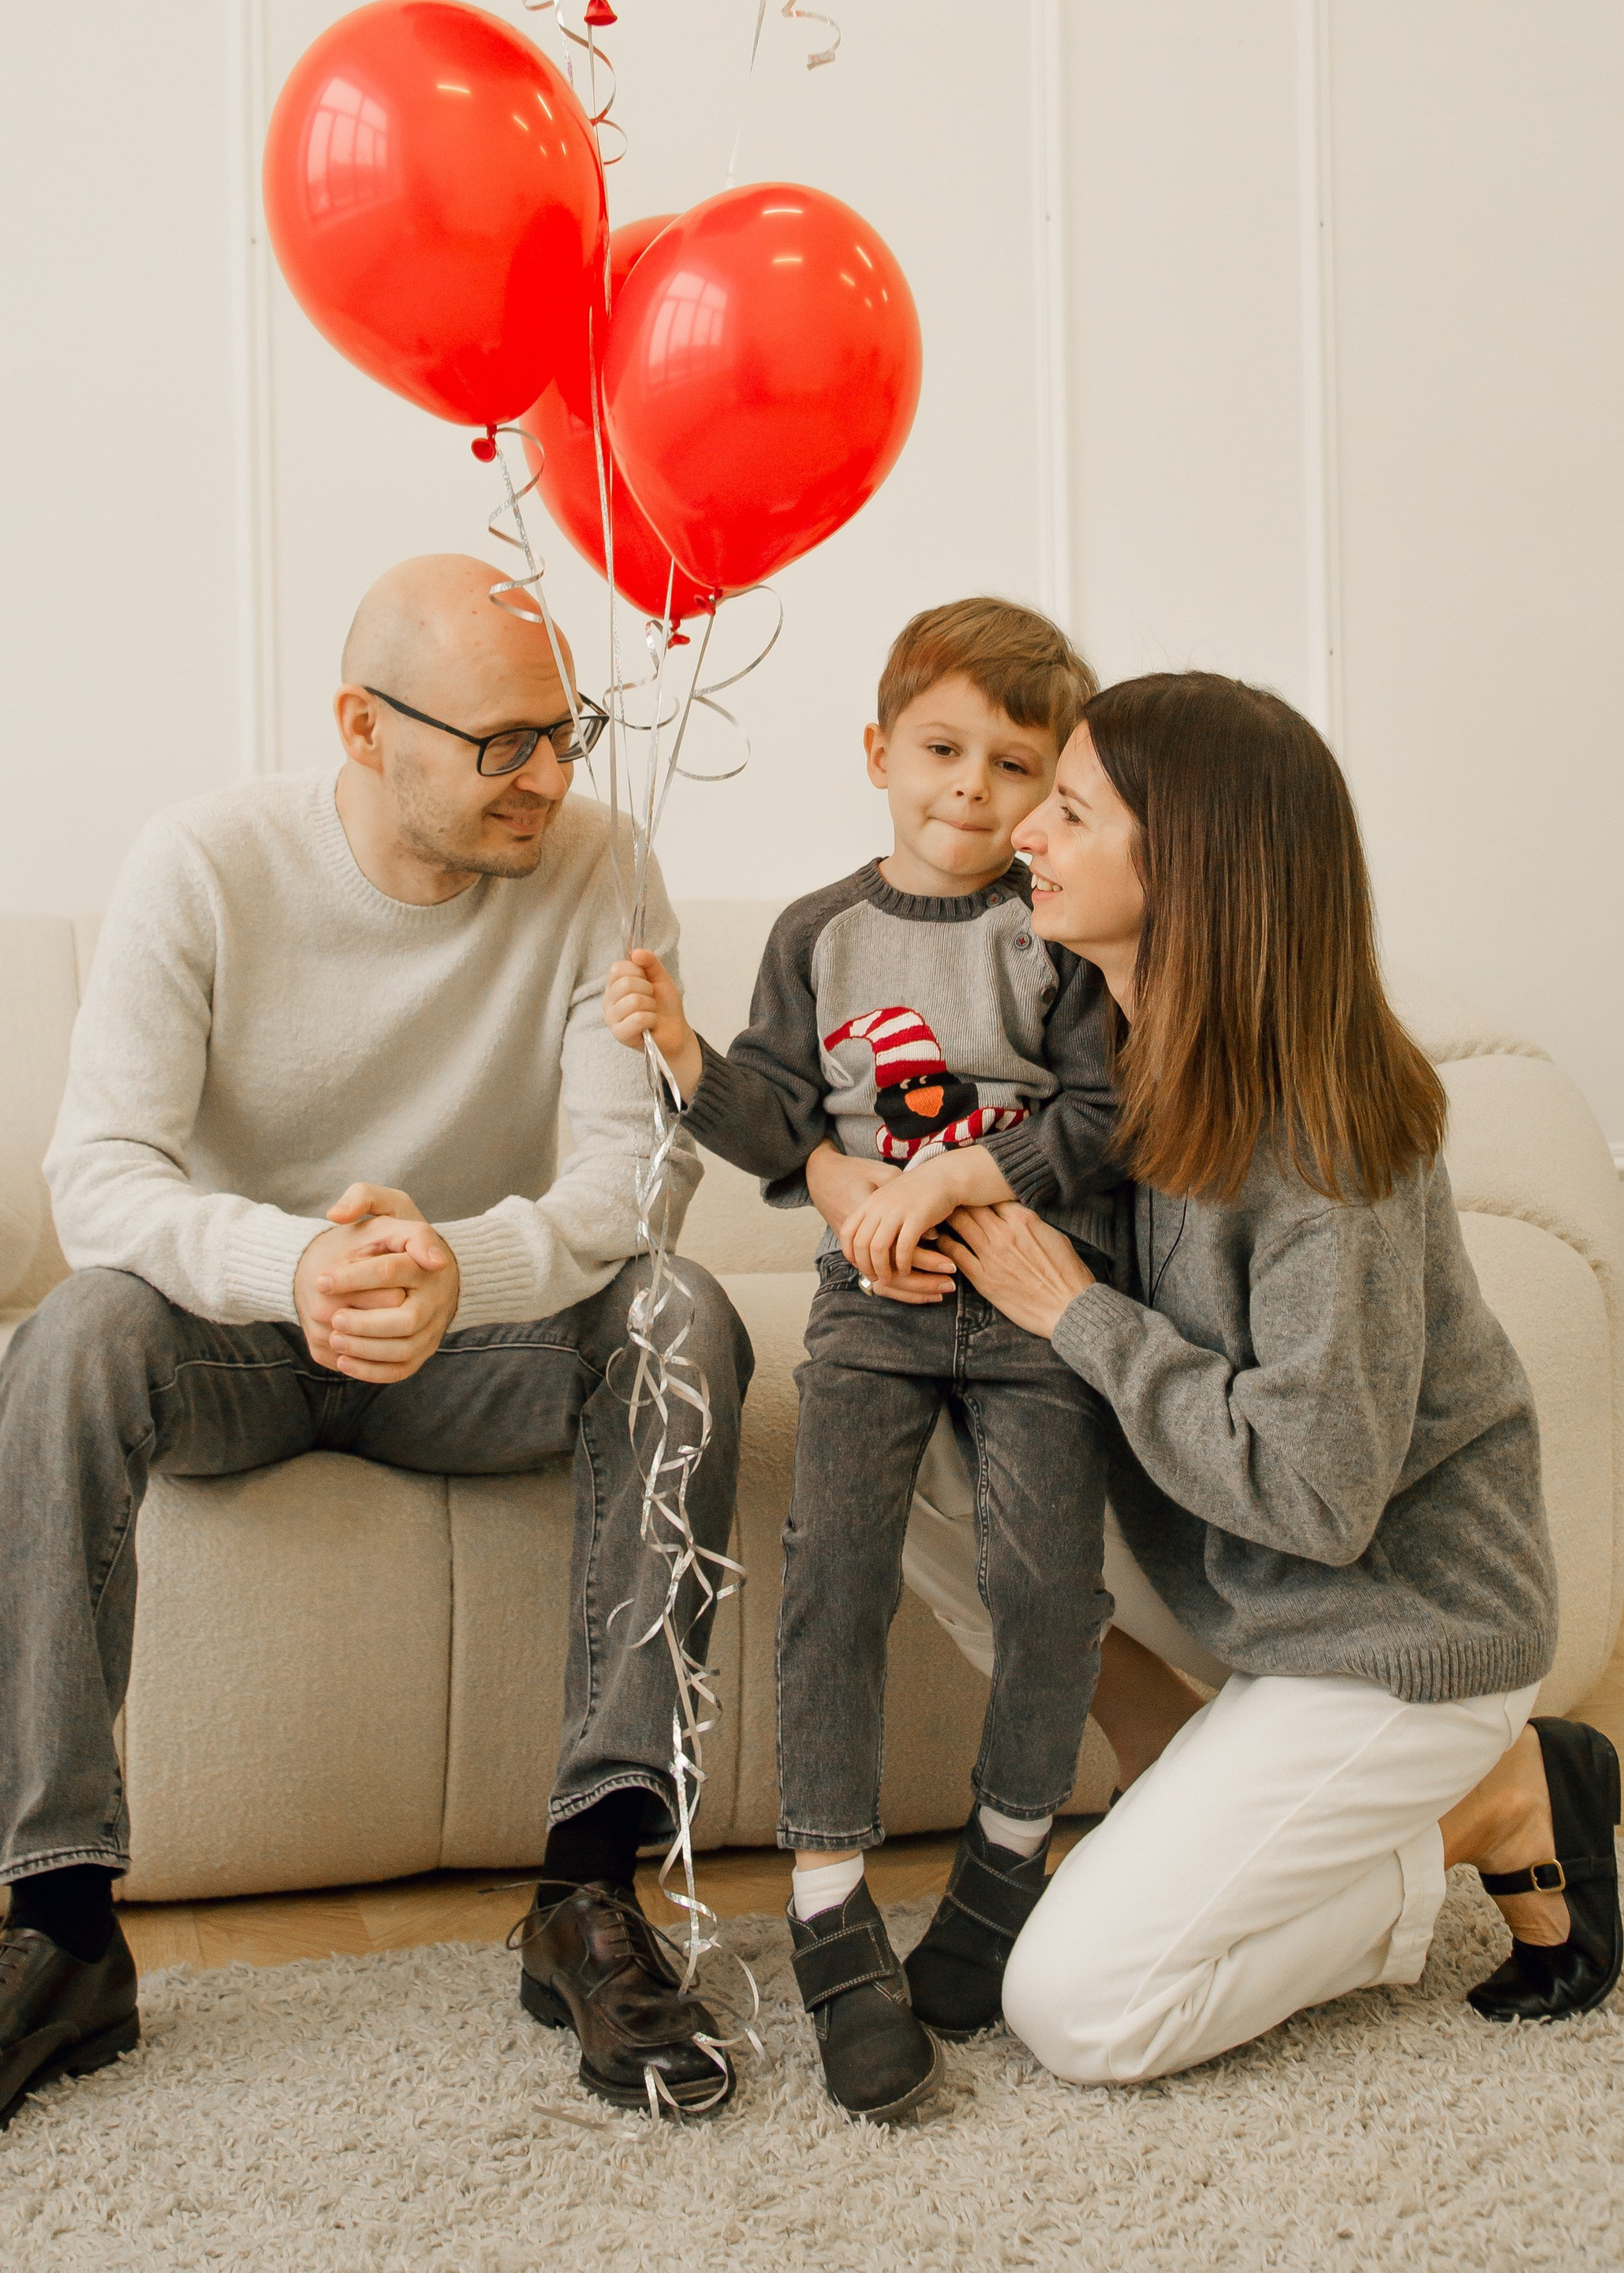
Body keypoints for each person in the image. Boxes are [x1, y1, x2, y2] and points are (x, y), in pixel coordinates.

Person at [0, 555, 754, 2169]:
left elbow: (626, 1186)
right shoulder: (202, 863)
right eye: (501, 745)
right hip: (242, 1347)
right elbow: (100, 1173)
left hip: (473, 1341)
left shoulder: (602, 864)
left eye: (565, 734)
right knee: (74, 1333)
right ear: (361, 726)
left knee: (684, 1317)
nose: (547, 778)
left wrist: (463, 1271)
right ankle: (59, 1937)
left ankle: (589, 1891)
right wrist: (294, 1262)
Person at [907, 671, 1618, 2085]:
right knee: (915, 1442)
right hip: (1251, 1586)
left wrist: (1080, 1312)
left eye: (1071, 808)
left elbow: (1318, 1493)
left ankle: (1497, 1807)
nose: (1026, 833)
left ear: (1187, 869)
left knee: (1082, 2009)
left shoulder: (1321, 1145)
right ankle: (1182, 1771)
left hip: (1393, 1627)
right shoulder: (1115, 1045)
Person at [608, 597, 1122, 2123]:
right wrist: (691, 1057)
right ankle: (830, 1906)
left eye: (1013, 765)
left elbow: (1096, 1123)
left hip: (1030, 1301)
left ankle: (1003, 1870)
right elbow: (779, 1117)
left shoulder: (1060, 937)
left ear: (1051, 790)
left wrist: (978, 1180)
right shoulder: (818, 934)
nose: (972, 788)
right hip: (873, 1311)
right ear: (879, 753)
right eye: (942, 750)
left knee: (1050, 1587)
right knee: (835, 1578)